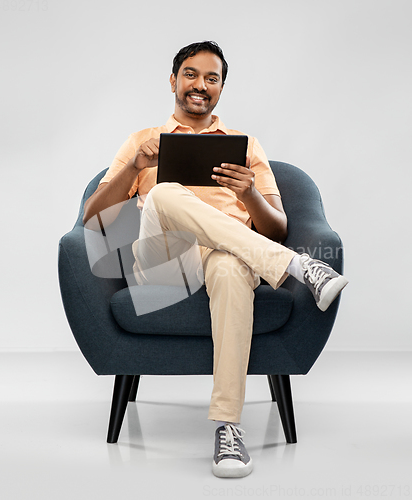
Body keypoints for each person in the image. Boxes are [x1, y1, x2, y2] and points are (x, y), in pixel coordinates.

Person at [83, 41, 348, 478]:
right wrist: (135, 169)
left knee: (229, 262)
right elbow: (93, 220)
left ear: (222, 88)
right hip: (163, 267)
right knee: (167, 192)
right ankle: (298, 268)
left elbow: (277, 228)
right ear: (173, 80)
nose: (200, 86)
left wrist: (248, 194)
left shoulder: (247, 147)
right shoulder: (142, 143)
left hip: (231, 257)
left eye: (212, 78)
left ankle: (228, 429)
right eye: (190, 74)